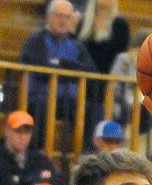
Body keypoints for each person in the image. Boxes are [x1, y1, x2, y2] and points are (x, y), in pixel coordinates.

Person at [19, 0, 96, 138]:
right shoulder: (36, 40)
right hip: (42, 97)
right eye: (59, 16)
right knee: (40, 107)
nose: (63, 20)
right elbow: (42, 71)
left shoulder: (76, 45)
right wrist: (72, 71)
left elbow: (90, 70)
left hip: (70, 100)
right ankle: (39, 153)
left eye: (67, 17)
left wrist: (62, 64)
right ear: (48, 16)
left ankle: (88, 153)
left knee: (95, 109)